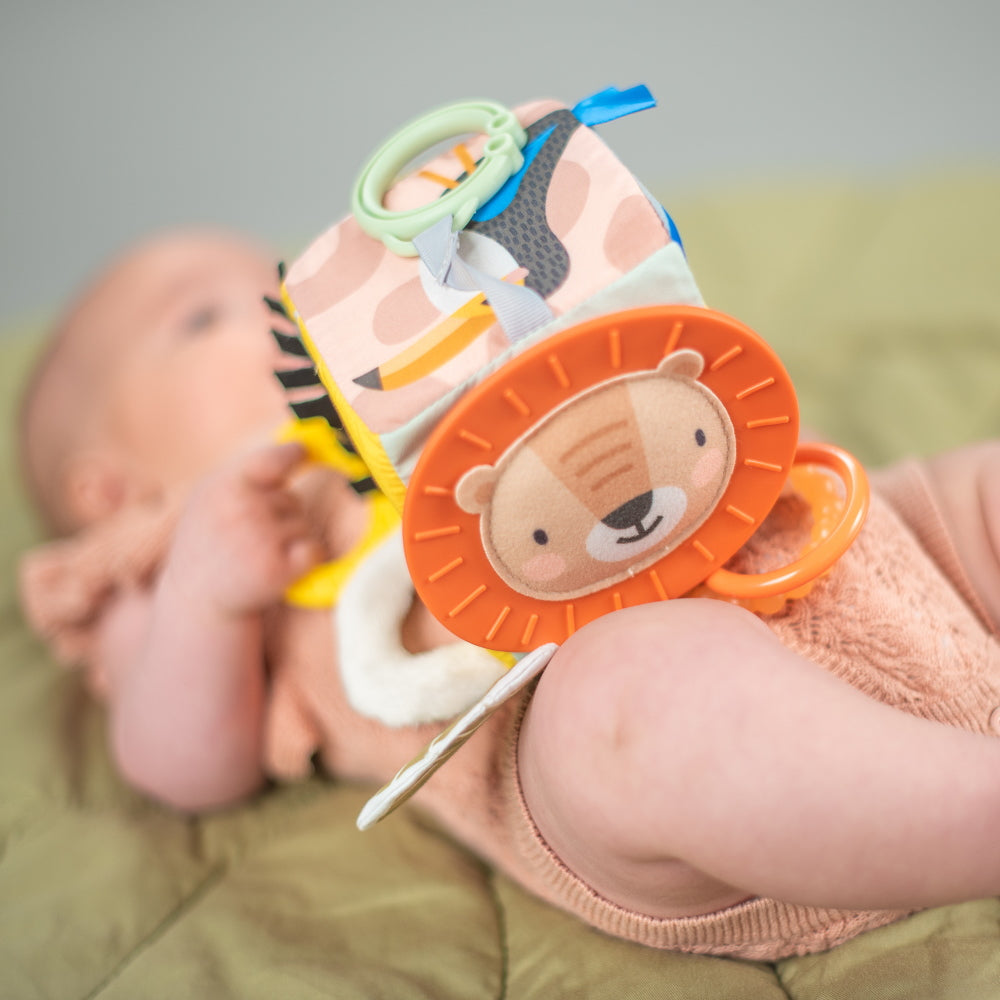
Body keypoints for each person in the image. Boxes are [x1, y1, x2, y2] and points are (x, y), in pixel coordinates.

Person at [17, 227, 1000, 961]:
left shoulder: (411, 392)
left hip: (825, 547)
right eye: (203, 316)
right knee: (630, 693)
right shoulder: (152, 563)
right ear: (109, 488)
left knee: (966, 493)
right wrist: (203, 594)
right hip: (561, 711)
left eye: (276, 284)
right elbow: (177, 769)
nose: (282, 310)